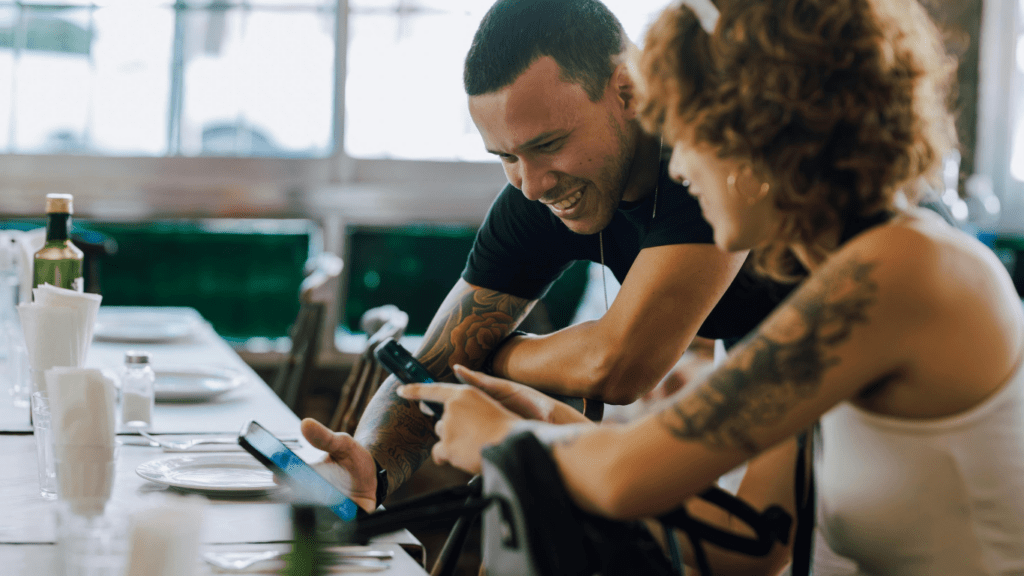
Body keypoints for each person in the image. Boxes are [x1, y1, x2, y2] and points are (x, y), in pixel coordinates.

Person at [399, 0, 1024, 573]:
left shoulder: (903, 272)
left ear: (765, 131)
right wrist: (556, 431)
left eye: (690, 132)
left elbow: (622, 479)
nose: (677, 165)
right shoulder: (819, 289)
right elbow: (750, 545)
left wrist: (514, 437)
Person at [301, 0, 791, 513]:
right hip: (772, 370)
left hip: (840, 370)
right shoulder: (539, 196)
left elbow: (618, 365)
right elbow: (430, 364)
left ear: (626, 90)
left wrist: (491, 357)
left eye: (549, 144)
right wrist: (370, 469)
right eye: (507, 157)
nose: (531, 186)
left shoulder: (703, 162)